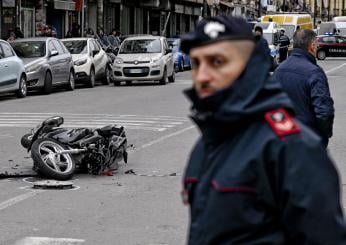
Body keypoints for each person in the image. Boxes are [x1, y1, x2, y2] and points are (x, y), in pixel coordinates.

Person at [180, 15, 346, 244]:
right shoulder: (207, 143)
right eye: (197, 63)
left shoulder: (294, 149)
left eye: (217, 62)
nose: (203, 75)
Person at [272, 29, 334, 147]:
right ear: (312, 47)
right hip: (308, 141)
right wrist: (323, 136)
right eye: (316, 45)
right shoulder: (314, 72)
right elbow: (324, 112)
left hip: (283, 140)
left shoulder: (279, 69)